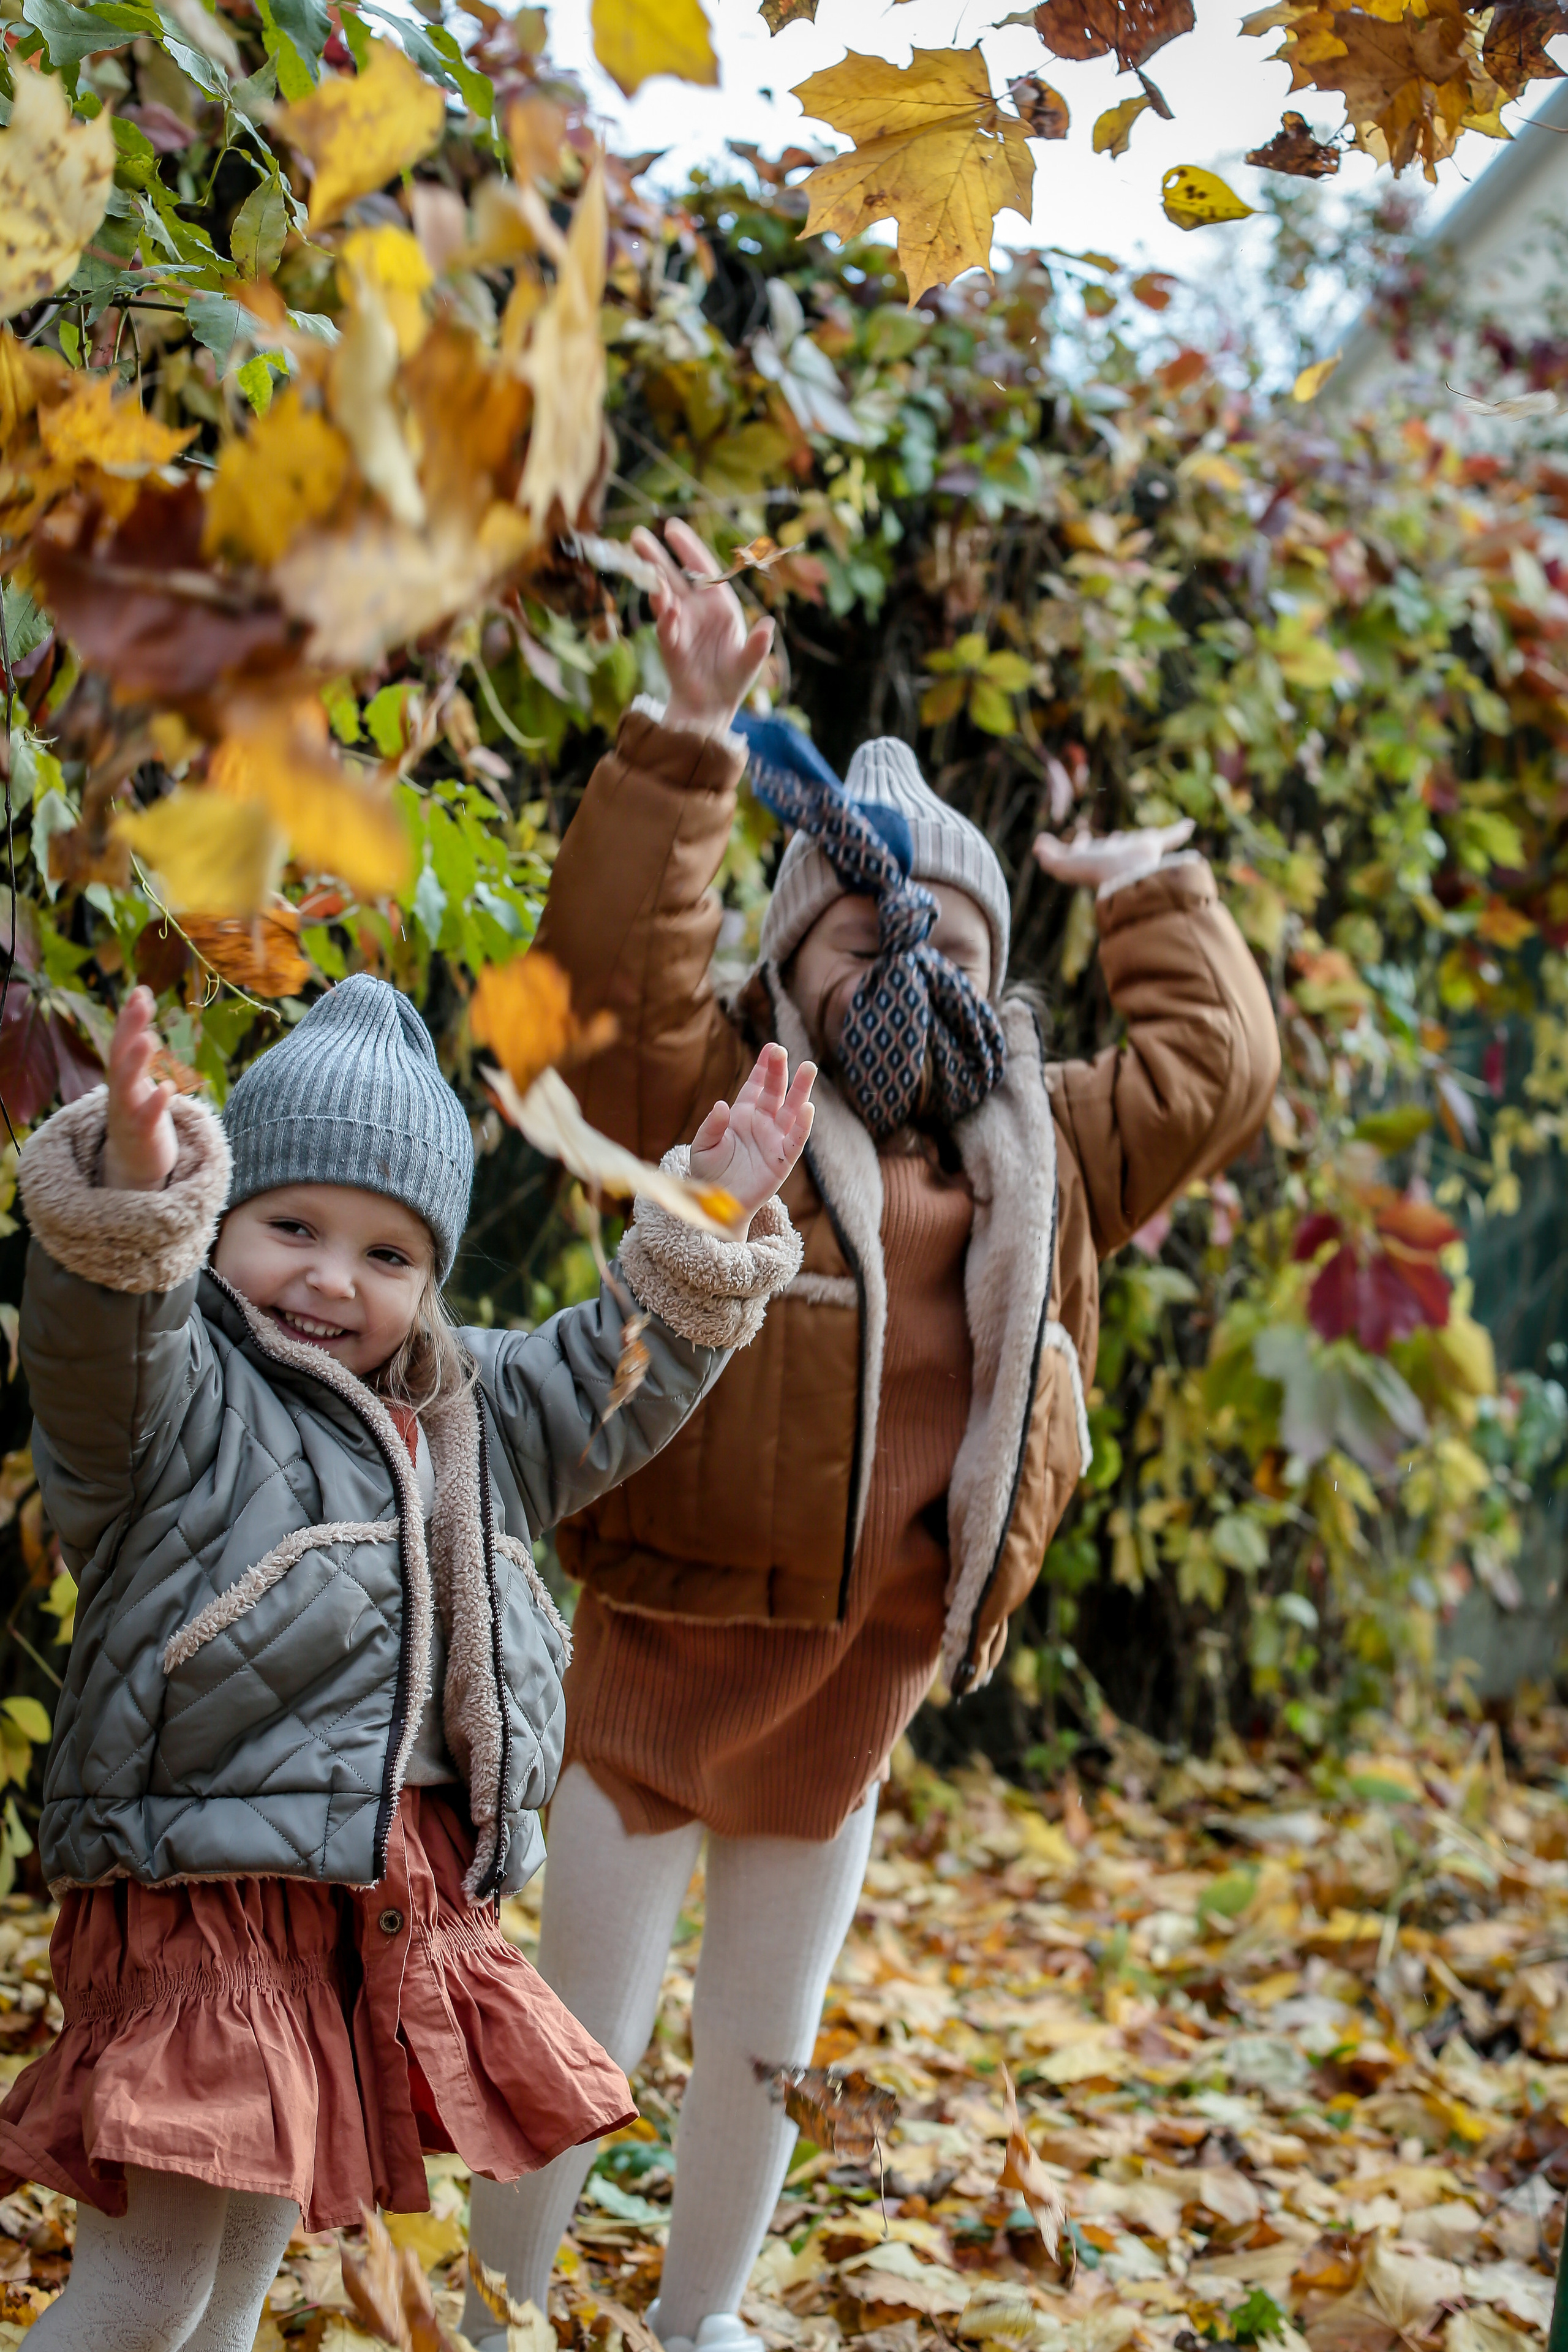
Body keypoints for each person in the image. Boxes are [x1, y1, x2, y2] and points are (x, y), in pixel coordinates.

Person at [462, 519, 1282, 2352]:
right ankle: (489, 2303)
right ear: (790, 958)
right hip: (659, 1660)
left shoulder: (1044, 1151)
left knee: (764, 2044)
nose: (908, 973)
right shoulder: (720, 1090)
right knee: (574, 2023)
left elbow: (1212, 1075)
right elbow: (602, 988)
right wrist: (686, 738)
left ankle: (703, 2318)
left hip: (858, 1684)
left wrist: (1155, 890)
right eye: (856, 935)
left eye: (954, 945)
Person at [0, 968, 814, 2352]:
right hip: (203, 1899)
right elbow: (95, 1341)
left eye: (387, 1254)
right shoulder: (175, 1388)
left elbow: (607, 1377)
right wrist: (134, 1194)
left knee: (247, 2263)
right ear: (222, 1220)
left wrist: (708, 1213)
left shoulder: (464, 1409)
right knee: (147, 2288)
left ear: (433, 1276)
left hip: (363, 1895)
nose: (330, 1277)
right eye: (292, 1226)